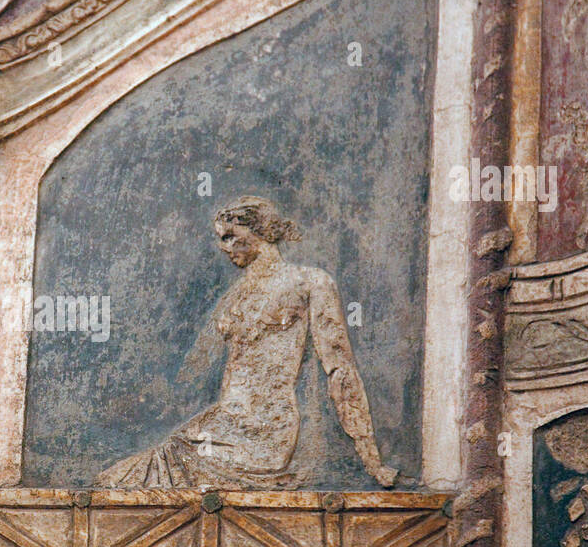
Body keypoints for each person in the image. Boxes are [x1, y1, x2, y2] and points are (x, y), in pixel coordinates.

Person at [98, 196, 397, 489]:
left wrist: (370, 457)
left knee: (147, 472)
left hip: (266, 434)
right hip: (225, 424)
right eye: (221, 238)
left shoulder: (309, 282)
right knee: (122, 478)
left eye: (230, 237)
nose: (223, 246)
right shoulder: (236, 296)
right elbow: (197, 372)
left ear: (260, 232)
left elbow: (340, 369)